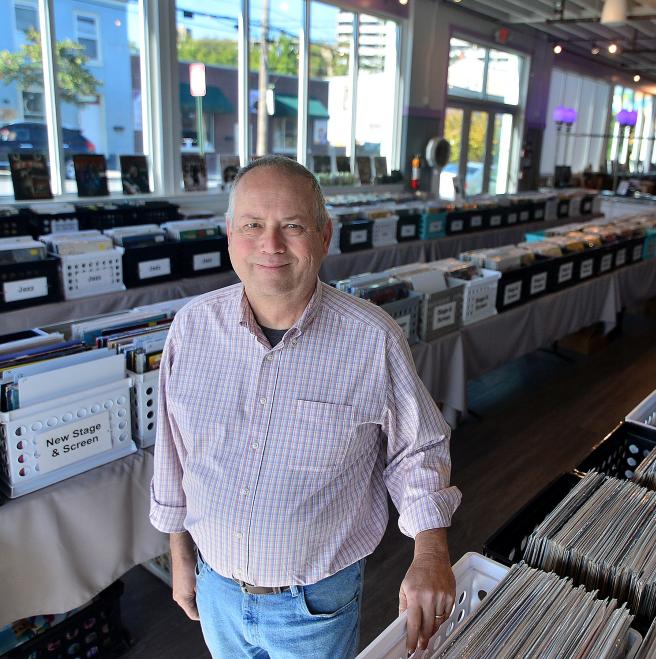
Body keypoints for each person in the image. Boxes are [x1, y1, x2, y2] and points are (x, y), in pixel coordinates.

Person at [150, 155, 461, 658]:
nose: (270, 245)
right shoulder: (190, 329)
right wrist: (179, 552)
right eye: (253, 225)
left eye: (291, 226)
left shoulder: (371, 338)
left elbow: (417, 449)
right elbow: (174, 450)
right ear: (230, 234)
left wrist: (430, 551)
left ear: (323, 235)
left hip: (315, 603)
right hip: (216, 589)